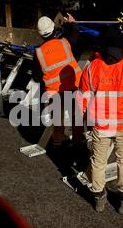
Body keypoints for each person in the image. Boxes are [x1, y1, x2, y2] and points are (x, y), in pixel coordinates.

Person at [78, 29, 123, 214]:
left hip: (101, 123)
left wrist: (87, 117)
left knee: (98, 161)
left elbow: (83, 98)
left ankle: (99, 198)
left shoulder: (91, 67)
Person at [33, 14, 85, 148]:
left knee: (58, 120)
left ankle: (57, 143)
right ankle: (78, 142)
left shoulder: (38, 52)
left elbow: (36, 77)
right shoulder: (65, 42)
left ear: (40, 34)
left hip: (54, 93)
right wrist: (71, 23)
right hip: (72, 87)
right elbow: (76, 35)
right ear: (54, 27)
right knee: (76, 117)